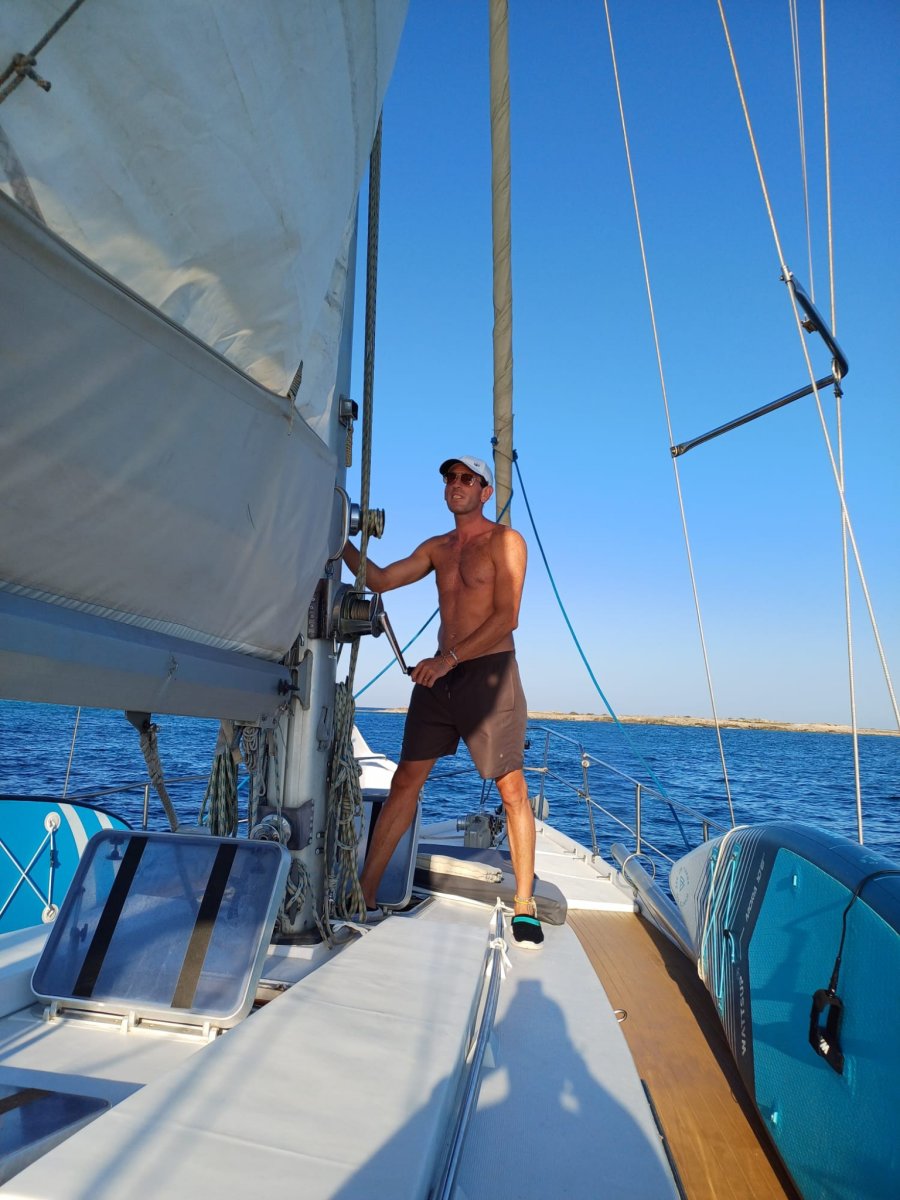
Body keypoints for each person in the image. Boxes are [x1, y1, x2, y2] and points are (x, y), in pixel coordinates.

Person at [342, 454, 543, 948]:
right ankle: (364, 895)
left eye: (466, 479)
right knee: (405, 781)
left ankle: (524, 904)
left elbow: (507, 616)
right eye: (450, 478)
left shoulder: (506, 542)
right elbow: (382, 579)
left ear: (484, 492)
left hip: (486, 674)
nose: (456, 485)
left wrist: (448, 659)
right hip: (441, 676)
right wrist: (338, 540)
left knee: (511, 788)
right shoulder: (439, 547)